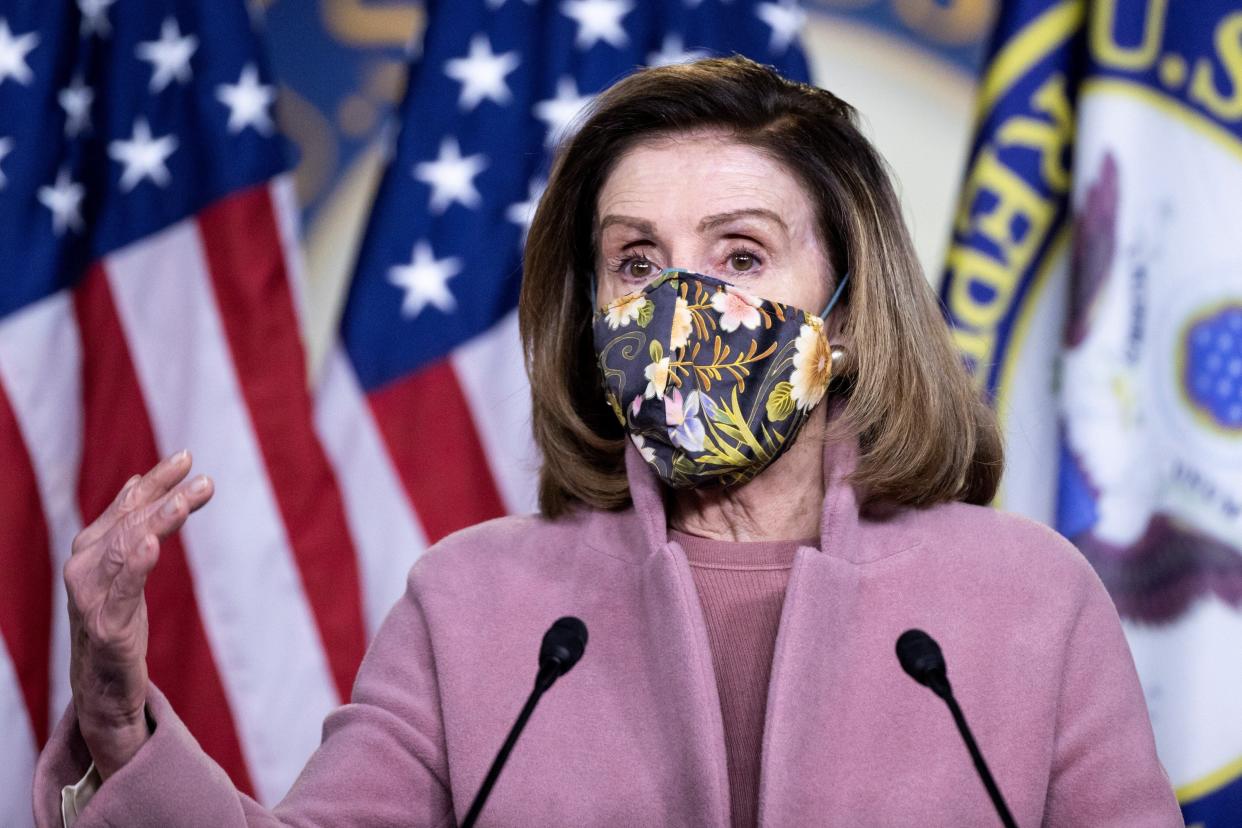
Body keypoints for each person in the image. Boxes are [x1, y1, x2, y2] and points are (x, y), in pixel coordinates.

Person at [36, 57, 1181, 826]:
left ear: (848, 302)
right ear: (590, 315)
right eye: (637, 262)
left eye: (739, 255)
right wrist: (113, 711)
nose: (681, 304)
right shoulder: (476, 606)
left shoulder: (1029, 599)